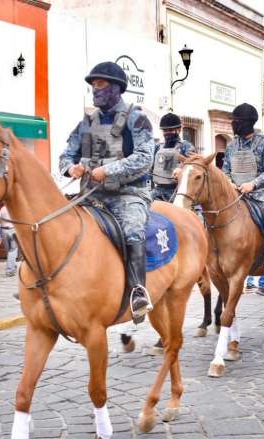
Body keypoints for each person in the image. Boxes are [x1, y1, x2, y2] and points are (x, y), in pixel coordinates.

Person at [58, 61, 154, 320]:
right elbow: (66, 155)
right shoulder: (86, 122)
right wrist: (71, 168)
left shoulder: (137, 118)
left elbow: (145, 157)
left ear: (116, 88)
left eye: (100, 84)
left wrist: (108, 170)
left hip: (129, 194)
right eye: (92, 85)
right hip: (91, 194)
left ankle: (138, 292)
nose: (95, 89)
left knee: (133, 228)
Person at [222, 103, 264, 268]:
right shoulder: (232, 145)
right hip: (235, 192)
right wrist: (229, 183)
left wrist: (253, 184)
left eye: (236, 121)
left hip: (259, 192)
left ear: (246, 123)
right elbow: (225, 169)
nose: (233, 124)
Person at [151, 113, 195, 202]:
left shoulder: (186, 146)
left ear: (179, 130)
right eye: (165, 130)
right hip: (157, 190)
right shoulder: (158, 147)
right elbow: (150, 166)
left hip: (177, 191)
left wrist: (181, 169)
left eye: (170, 130)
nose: (167, 133)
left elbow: (194, 167)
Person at [0, 205, 18, 277]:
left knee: (9, 251)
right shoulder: (16, 207)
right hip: (14, 230)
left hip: (4, 231)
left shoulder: (3, 208)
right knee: (13, 251)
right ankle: (9, 270)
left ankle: (13, 268)